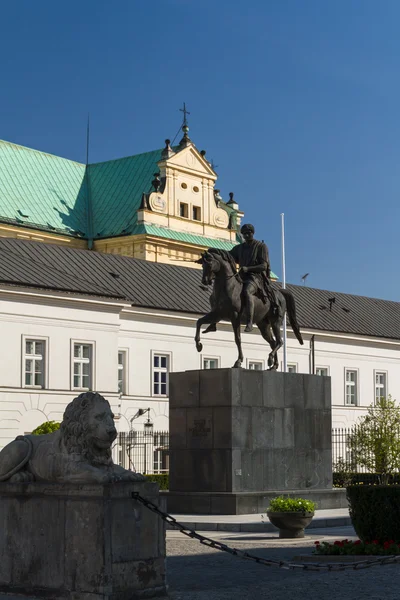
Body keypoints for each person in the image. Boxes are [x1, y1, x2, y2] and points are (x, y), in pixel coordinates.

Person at [229, 223, 277, 332]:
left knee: (247, 292)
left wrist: (248, 269)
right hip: (241, 277)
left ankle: (249, 322)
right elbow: (228, 255)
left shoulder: (261, 246)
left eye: (248, 233)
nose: (246, 236)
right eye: (244, 234)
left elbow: (263, 266)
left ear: (252, 233)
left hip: (256, 277)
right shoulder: (239, 248)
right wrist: (212, 254)